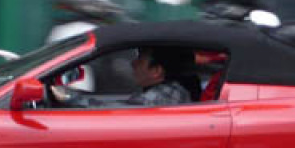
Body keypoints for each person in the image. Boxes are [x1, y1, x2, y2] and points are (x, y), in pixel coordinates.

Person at [49, 45, 199, 108]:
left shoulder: (166, 95)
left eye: (140, 60)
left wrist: (72, 99)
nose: (133, 64)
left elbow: (123, 106)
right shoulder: (169, 91)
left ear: (156, 71)